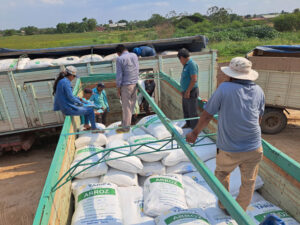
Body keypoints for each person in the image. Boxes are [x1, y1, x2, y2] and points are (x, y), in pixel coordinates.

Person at [186, 57, 265, 212]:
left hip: (229, 148)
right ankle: (239, 212)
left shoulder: (224, 88)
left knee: (222, 174)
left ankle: (224, 206)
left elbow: (207, 115)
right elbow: (258, 119)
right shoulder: (258, 90)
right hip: (254, 147)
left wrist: (195, 133)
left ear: (231, 74)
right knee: (249, 182)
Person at [53, 66, 99, 131]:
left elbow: (68, 96)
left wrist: (79, 99)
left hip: (65, 107)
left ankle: (87, 125)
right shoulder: (66, 82)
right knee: (90, 110)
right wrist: (81, 103)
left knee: (87, 109)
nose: (74, 78)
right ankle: (94, 129)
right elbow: (70, 97)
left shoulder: (62, 81)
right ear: (71, 75)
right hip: (68, 108)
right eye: (74, 76)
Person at [115, 44, 139, 132]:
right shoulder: (134, 55)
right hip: (135, 84)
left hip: (126, 86)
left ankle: (125, 127)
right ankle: (124, 123)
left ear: (118, 52)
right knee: (131, 107)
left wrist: (118, 88)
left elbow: (119, 75)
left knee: (126, 107)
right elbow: (137, 69)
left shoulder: (120, 59)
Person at [178, 48, 199, 129]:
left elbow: (194, 79)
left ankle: (194, 129)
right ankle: (188, 124)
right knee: (186, 110)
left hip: (191, 91)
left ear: (182, 58)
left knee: (192, 112)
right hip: (186, 91)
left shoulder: (191, 64)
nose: (180, 62)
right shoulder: (186, 65)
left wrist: (188, 91)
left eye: (180, 60)